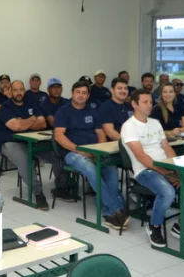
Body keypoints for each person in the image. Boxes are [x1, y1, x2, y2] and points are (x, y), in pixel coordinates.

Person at [122, 89, 184, 247]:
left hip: (167, 168)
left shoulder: (155, 123)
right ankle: (154, 226)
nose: (150, 105)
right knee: (167, 192)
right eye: (145, 102)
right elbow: (141, 156)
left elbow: (167, 148)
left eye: (150, 102)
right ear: (134, 104)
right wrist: (166, 173)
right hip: (145, 171)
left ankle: (182, 226)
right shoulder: (129, 127)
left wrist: (176, 170)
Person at [54, 81, 128, 229]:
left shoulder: (93, 111)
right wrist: (78, 149)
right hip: (72, 153)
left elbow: (100, 133)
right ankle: (116, 209)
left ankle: (108, 212)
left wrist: (98, 150)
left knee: (111, 167)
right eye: (78, 92)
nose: (81, 95)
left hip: (94, 151)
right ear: (72, 93)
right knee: (90, 168)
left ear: (88, 95)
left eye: (84, 93)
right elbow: (59, 136)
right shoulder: (63, 111)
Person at [0, 81, 73, 209]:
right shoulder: (6, 107)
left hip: (33, 141)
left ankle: (61, 188)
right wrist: (32, 119)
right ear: (10, 92)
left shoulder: (31, 103)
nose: (18, 92)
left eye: (21, 89)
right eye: (15, 90)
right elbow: (15, 127)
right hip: (11, 142)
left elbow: (43, 123)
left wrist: (23, 122)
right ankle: (38, 193)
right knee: (25, 161)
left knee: (56, 156)